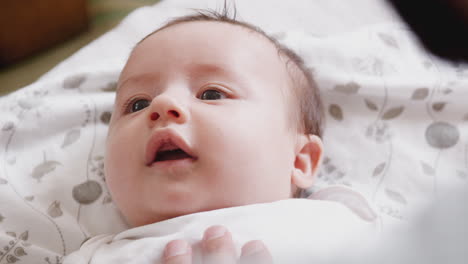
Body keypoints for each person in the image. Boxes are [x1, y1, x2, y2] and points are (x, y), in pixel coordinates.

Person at [63, 8, 378, 264]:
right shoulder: (97, 257)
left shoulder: (336, 224)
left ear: (299, 160)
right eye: (137, 104)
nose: (161, 105)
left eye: (212, 93)